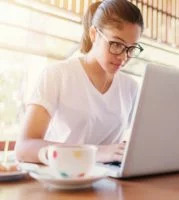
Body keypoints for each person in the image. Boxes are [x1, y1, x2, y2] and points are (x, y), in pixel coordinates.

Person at [15, 0, 144, 163]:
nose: (123, 57)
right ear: (94, 34)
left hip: (109, 181)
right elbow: (24, 148)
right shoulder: (57, 75)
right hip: (61, 177)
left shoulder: (130, 87)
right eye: (116, 44)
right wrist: (95, 152)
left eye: (131, 48)